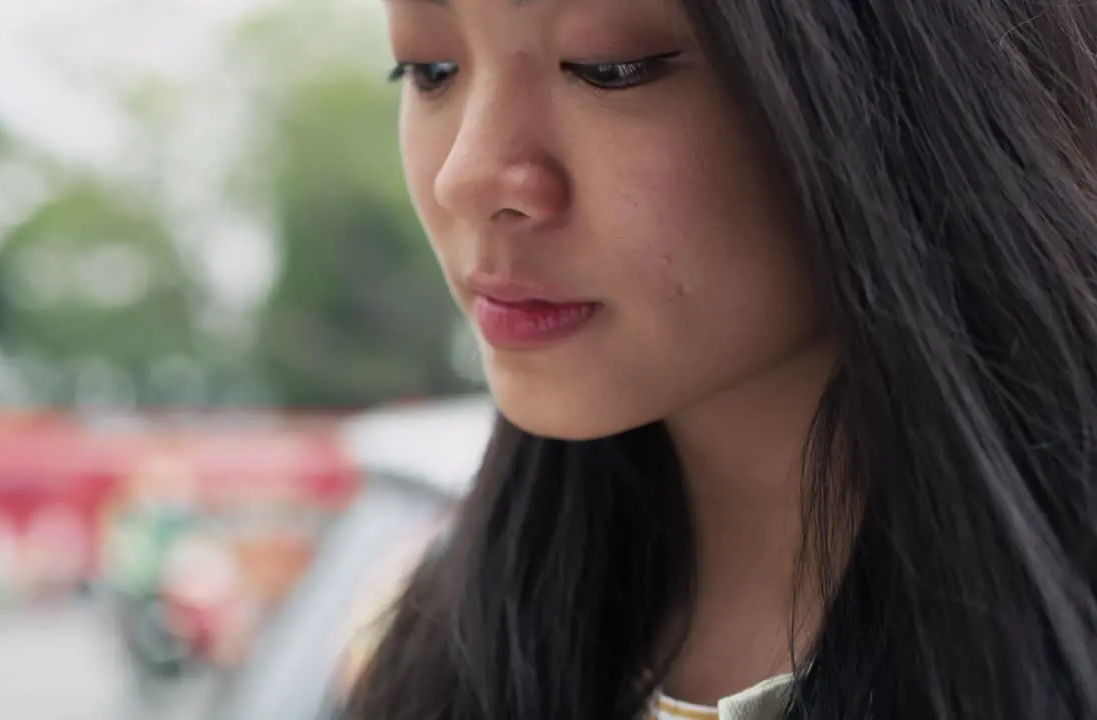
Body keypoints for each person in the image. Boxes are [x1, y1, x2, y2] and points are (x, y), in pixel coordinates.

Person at [343, 1, 1097, 719]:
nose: (466, 178)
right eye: (430, 68)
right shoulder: (420, 639)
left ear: (907, 80)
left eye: (609, 66)